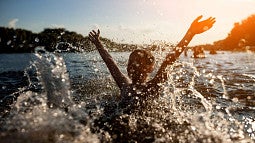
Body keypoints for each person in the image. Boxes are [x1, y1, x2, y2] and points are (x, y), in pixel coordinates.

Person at [88, 15, 215, 114]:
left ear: (150, 68)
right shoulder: (126, 85)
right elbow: (110, 62)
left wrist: (190, 33)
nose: (131, 67)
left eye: (137, 64)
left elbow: (169, 60)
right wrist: (98, 44)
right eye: (130, 63)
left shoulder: (152, 87)